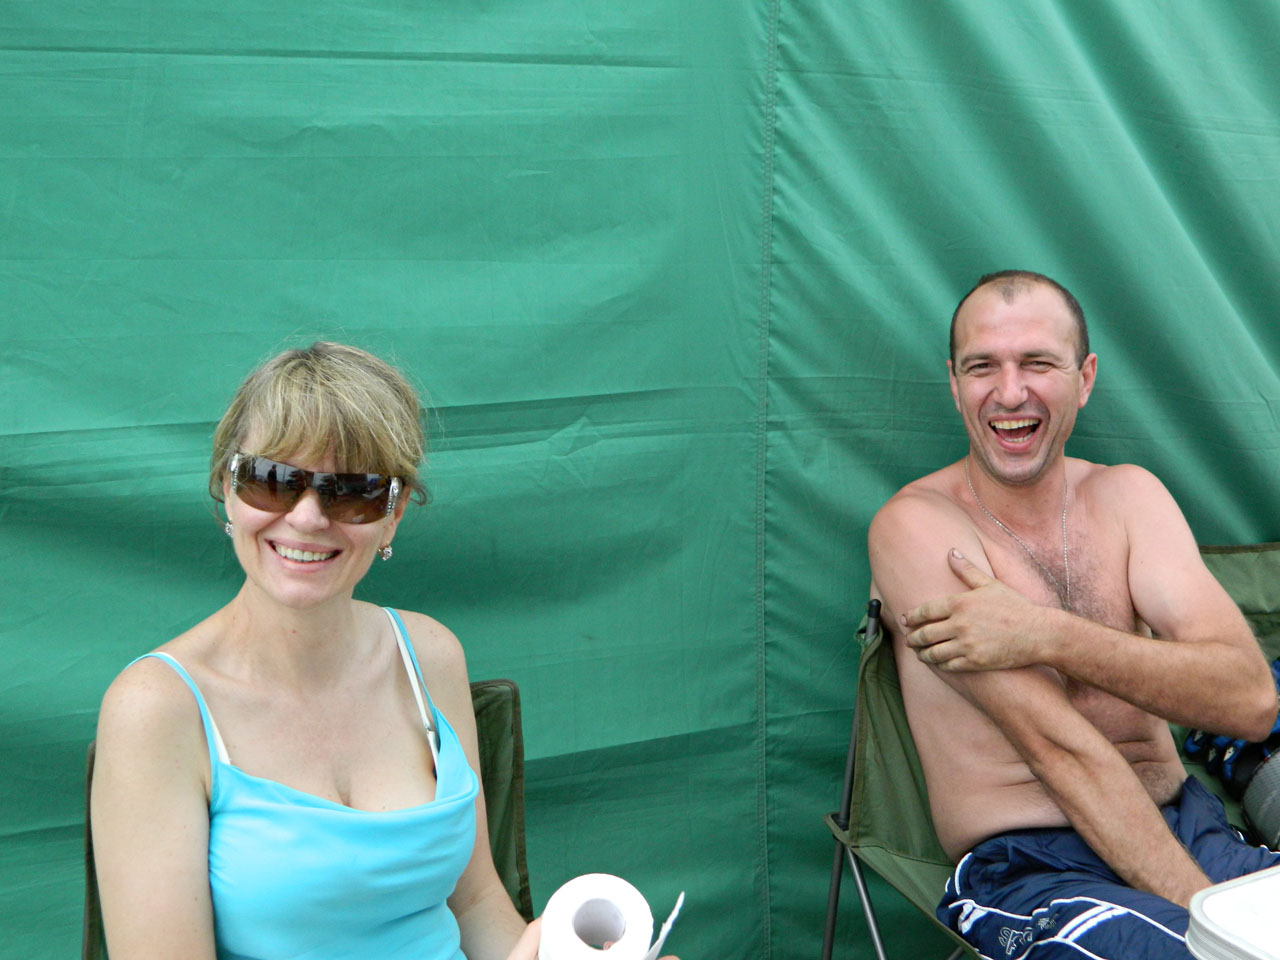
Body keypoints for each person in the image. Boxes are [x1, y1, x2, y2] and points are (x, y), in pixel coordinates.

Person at [91, 342, 678, 960]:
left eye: (354, 492)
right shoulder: (156, 708)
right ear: (227, 491)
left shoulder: (428, 654)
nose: (308, 518)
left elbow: (475, 902)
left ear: (393, 514)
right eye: (273, 481)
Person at [867, 271, 1280, 958]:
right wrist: (1221, 933)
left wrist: (1046, 634)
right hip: (1032, 871)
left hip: (1192, 829)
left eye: (1037, 363)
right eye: (982, 367)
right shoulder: (917, 528)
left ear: (1084, 379)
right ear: (954, 383)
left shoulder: (1128, 499)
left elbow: (1250, 702)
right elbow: (1059, 751)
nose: (1009, 393)